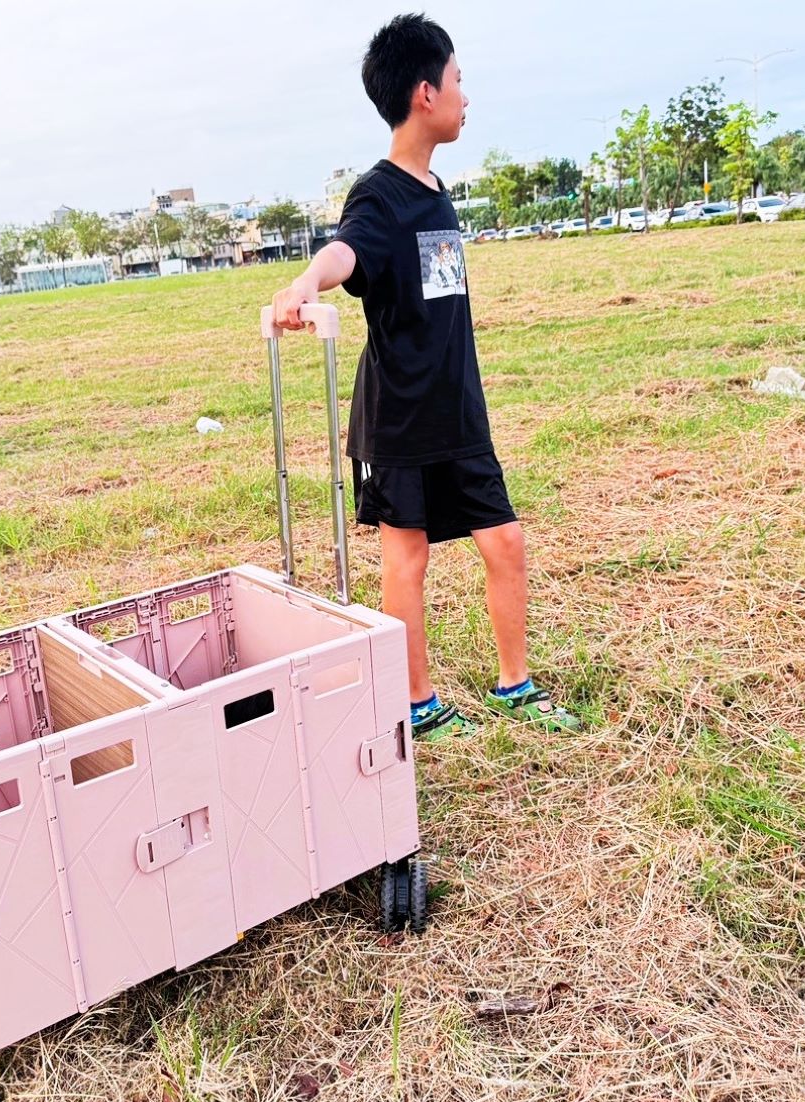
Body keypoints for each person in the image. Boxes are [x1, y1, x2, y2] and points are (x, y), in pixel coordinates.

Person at [270, 13, 581, 738]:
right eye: (458, 81)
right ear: (423, 93)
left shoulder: (435, 187)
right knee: (407, 558)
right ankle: (416, 702)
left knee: (504, 541)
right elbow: (345, 252)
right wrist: (305, 284)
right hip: (401, 417)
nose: (466, 96)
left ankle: (515, 684)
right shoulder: (378, 194)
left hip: (458, 411)